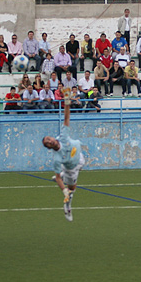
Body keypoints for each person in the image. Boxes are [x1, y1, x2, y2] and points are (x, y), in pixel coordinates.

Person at [42, 94, 85, 222]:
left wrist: (67, 102)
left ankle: (64, 175)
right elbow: (59, 179)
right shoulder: (57, 159)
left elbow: (66, 117)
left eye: (49, 139)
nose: (50, 141)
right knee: (72, 188)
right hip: (71, 169)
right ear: (49, 148)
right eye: (47, 143)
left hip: (80, 157)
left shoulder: (63, 136)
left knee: (79, 166)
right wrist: (64, 190)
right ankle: (67, 204)